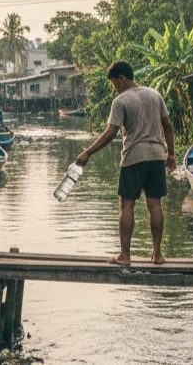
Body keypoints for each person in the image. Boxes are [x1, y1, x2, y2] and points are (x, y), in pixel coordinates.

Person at [76, 61, 175, 266]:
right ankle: (157, 255)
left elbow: (111, 133)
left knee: (127, 206)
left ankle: (125, 256)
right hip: (157, 155)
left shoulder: (121, 101)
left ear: (121, 78)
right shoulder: (155, 94)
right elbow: (168, 126)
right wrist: (171, 154)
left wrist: (88, 152)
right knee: (155, 204)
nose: (115, 88)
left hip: (134, 157)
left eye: (114, 83)